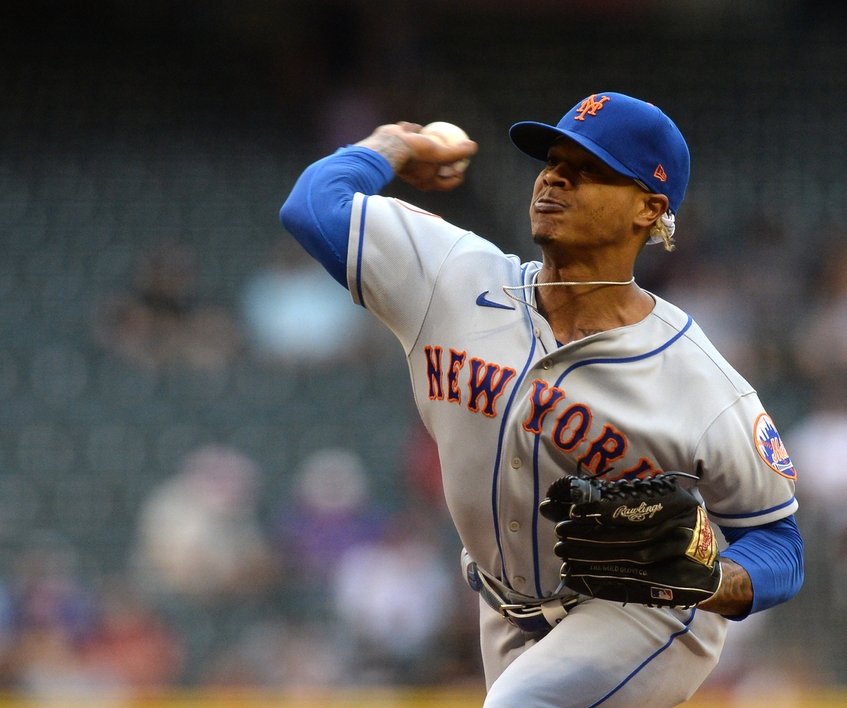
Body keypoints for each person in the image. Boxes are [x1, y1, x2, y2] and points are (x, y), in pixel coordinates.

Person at [280, 92, 804, 707]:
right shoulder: (453, 278)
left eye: (587, 170)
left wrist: (711, 578)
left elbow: (780, 547)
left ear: (648, 208)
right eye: (552, 161)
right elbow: (314, 207)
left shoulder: (701, 382)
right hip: (503, 608)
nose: (555, 177)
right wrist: (390, 146)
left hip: (643, 613)